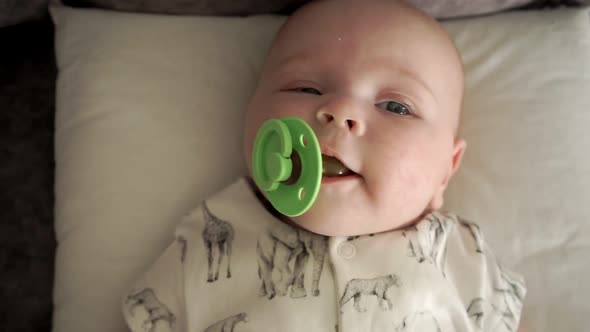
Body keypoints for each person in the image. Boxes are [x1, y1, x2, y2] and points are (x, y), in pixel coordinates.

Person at [122, 0, 526, 331]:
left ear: (446, 171)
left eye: (396, 106)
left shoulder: (463, 257)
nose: (339, 111)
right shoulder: (206, 240)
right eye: (306, 88)